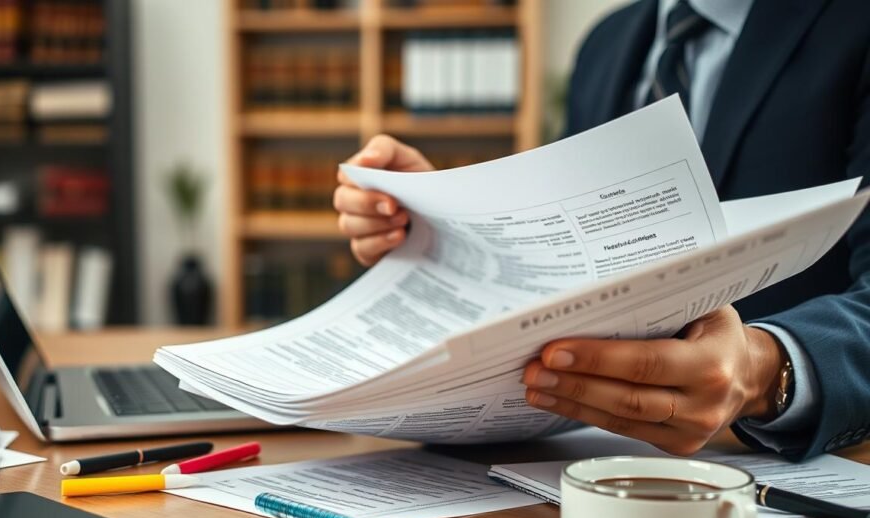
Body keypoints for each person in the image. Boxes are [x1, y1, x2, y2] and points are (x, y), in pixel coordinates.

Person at [333, 0, 870, 461]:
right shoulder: (608, 44)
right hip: (580, 465)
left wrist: (763, 369)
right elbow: (582, 259)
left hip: (777, 481)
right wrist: (449, 235)